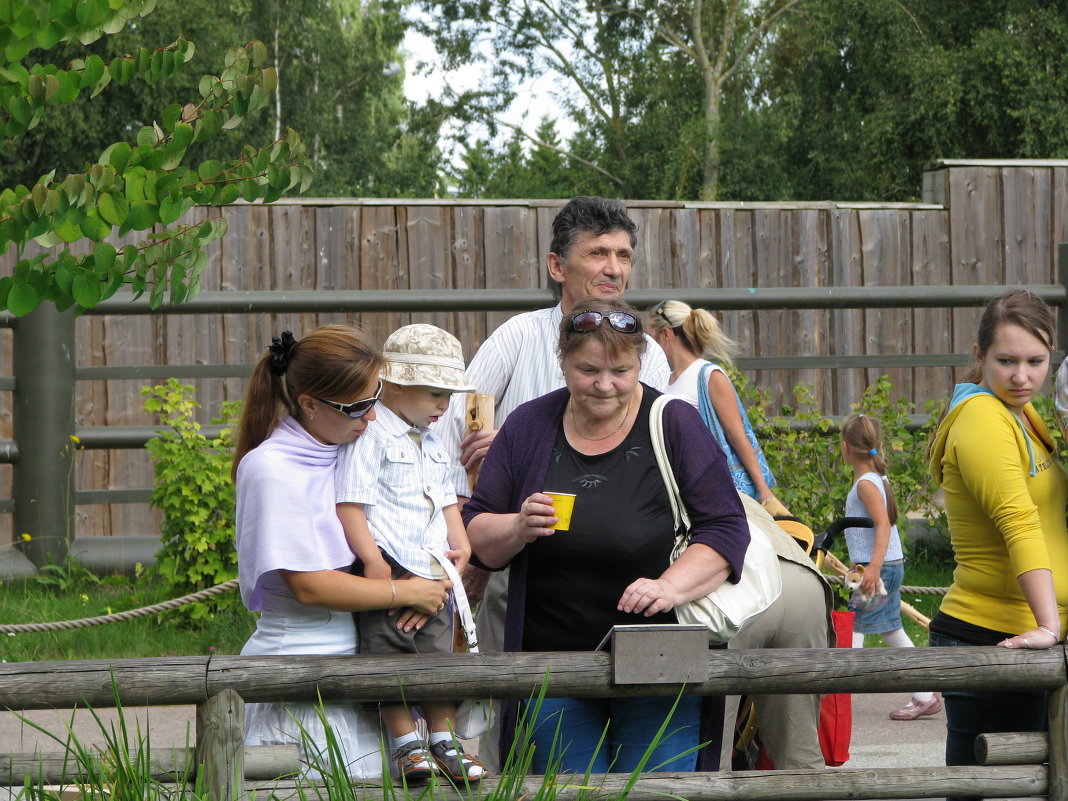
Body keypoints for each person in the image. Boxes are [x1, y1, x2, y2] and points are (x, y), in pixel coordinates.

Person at [462, 296, 750, 774]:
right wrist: (517, 526)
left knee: (659, 790)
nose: (604, 385)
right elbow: (479, 533)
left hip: (661, 659)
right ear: (562, 361)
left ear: (641, 362)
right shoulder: (529, 425)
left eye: (621, 370)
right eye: (588, 370)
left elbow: (725, 527)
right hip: (551, 662)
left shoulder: (673, 422)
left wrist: (670, 586)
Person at [434, 196, 670, 768]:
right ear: (557, 266)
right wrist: (469, 533)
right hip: (517, 561)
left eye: (624, 255)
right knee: (509, 719)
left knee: (631, 737)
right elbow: (450, 436)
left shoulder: (652, 354)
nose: (614, 267)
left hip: (623, 576)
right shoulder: (518, 337)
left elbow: (667, 459)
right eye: (598, 253)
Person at [233, 325, 451, 780]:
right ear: (309, 404)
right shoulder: (274, 468)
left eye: (375, 399)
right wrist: (404, 592)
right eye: (355, 407)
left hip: (370, 665)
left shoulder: (344, 449)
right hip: (304, 668)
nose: (370, 418)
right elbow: (310, 585)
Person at [927, 288, 1068, 790]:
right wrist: (1049, 627)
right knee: (984, 790)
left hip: (1029, 634)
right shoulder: (984, 417)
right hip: (997, 636)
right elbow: (1019, 522)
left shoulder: (1024, 414)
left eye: (1036, 361)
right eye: (1006, 360)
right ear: (979, 356)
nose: (1021, 375)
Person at [335, 323, 485, 783]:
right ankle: (405, 742)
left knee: (439, 652)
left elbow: (444, 498)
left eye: (448, 395)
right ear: (396, 385)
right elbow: (351, 503)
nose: (444, 405)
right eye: (434, 393)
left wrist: (460, 541)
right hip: (391, 560)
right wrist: (374, 562)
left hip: (432, 563)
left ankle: (444, 738)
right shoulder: (371, 435)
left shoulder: (434, 441)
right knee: (389, 650)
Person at [840, 413, 940, 721]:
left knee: (854, 627)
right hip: (885, 566)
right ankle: (925, 695)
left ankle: (835, 696)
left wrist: (872, 568)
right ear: (878, 445)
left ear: (845, 448)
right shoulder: (875, 478)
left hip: (879, 570)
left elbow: (883, 526)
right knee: (891, 628)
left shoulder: (866, 484)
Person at [646, 299, 786, 514]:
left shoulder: (709, 375)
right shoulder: (665, 380)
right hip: (676, 484)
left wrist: (763, 490)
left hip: (709, 483)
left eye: (651, 337)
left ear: (665, 335)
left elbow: (736, 433)